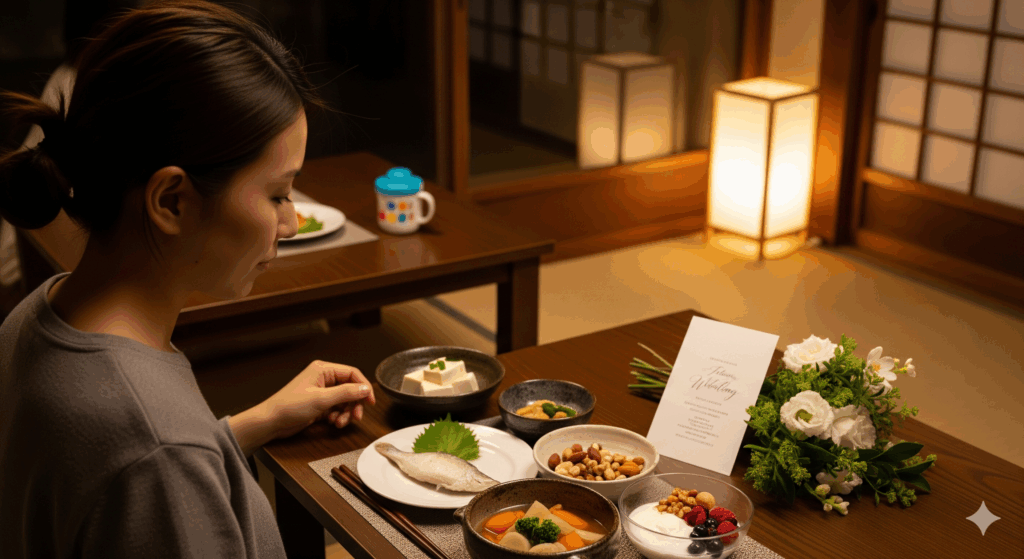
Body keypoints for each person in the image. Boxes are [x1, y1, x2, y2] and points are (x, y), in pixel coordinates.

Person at [0, 1, 375, 557]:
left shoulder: (37, 315)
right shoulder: (156, 450)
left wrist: (249, 425)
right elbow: (150, 458)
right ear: (171, 201)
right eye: (278, 193)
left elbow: (122, 469)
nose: (292, 223)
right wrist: (180, 450)